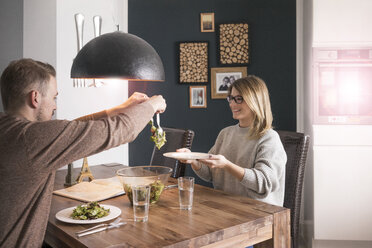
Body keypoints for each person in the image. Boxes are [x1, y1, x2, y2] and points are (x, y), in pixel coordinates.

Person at [0, 58, 166, 247]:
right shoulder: (31, 139)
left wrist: (119, 109)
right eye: (54, 97)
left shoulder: (10, 131)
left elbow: (71, 129)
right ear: (35, 98)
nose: (55, 106)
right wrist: (151, 105)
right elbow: (120, 130)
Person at [178, 75, 286, 207]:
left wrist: (227, 165)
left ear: (255, 100)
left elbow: (264, 183)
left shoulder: (269, 138)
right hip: (226, 206)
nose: (232, 104)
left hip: (258, 213)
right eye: (231, 98)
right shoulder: (226, 133)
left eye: (239, 99)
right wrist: (193, 160)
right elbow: (210, 174)